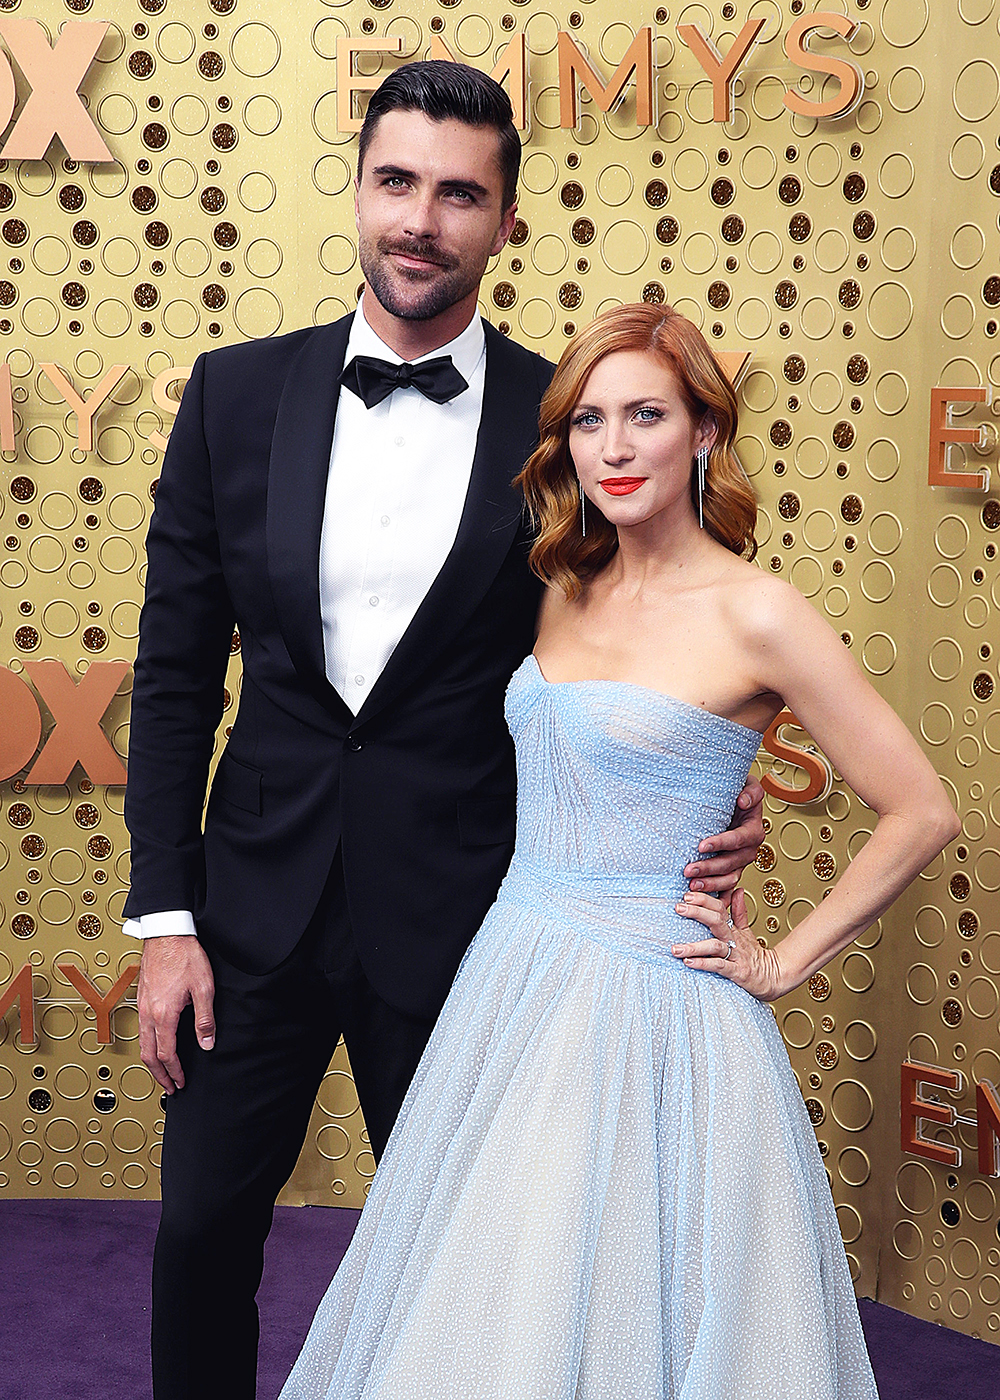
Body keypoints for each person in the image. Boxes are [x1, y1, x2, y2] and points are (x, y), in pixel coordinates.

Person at [124, 66, 765, 1400]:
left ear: (505, 222)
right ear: (360, 193)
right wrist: (164, 923)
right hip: (250, 914)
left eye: (459, 193)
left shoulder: (565, 419)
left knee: (483, 1275)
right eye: (399, 182)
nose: (422, 219)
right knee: (196, 1240)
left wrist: (707, 782)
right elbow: (177, 678)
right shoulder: (230, 395)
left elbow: (654, 621)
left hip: (474, 922)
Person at [277, 303, 960, 1400]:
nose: (615, 445)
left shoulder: (760, 613)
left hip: (658, 1010)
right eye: (589, 420)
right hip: (513, 980)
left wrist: (783, 962)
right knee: (496, 1300)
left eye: (647, 413)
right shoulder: (557, 581)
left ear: (702, 430)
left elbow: (921, 809)